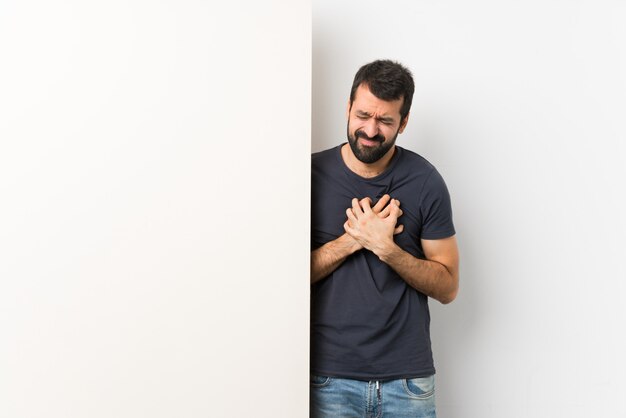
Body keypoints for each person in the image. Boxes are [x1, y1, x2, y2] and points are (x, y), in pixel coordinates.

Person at [310, 59, 460, 418]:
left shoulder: (425, 181)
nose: (371, 130)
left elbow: (448, 288)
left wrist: (386, 248)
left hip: (408, 382)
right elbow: (280, 281)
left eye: (385, 121)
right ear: (347, 107)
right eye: (362, 115)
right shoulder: (309, 177)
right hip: (329, 379)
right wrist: (352, 240)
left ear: (403, 122)